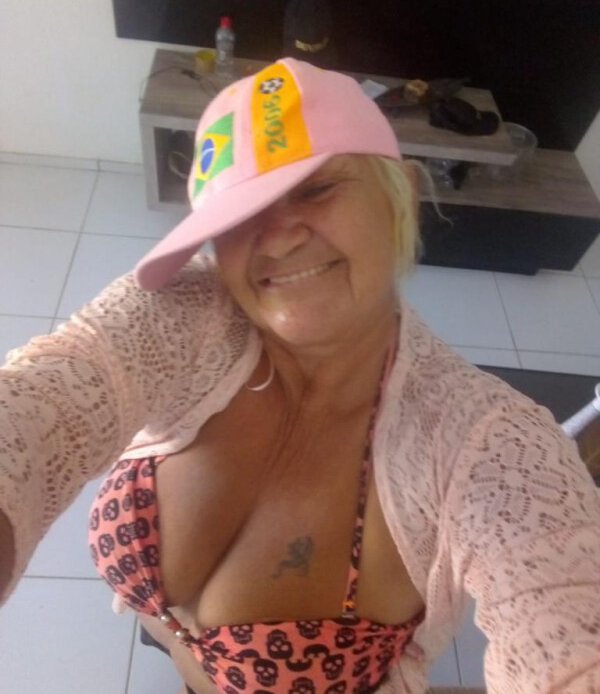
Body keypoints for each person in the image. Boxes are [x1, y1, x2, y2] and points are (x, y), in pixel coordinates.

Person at [1, 59, 599, 694]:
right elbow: (43, 399)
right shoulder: (187, 312)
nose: (277, 239)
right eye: (239, 214)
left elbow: (566, 627)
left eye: (316, 189)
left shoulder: (485, 442)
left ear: (399, 193)